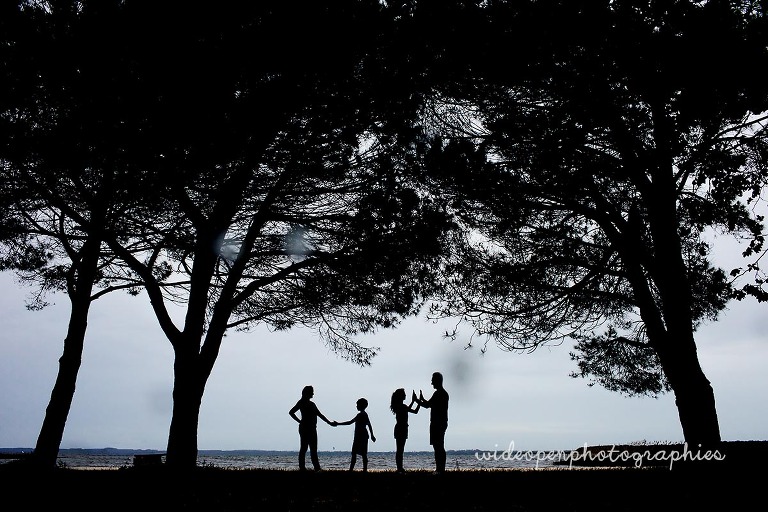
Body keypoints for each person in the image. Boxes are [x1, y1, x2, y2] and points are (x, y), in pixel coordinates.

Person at [289, 385, 334, 472]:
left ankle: (316, 467)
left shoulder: (312, 404)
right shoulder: (301, 402)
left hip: (312, 428)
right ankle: (302, 468)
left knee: (313, 449)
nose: (313, 394)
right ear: (307, 393)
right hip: (305, 428)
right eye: (311, 392)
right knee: (304, 448)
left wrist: (329, 422)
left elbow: (320, 415)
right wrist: (300, 421)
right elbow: (291, 412)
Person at [416, 371, 449, 474]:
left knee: (438, 446)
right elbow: (429, 404)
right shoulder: (441, 393)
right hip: (440, 422)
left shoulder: (439, 393)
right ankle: (440, 468)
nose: (431, 383)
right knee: (438, 445)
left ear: (437, 381)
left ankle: (440, 469)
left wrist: (417, 401)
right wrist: (420, 400)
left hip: (437, 423)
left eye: (433, 381)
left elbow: (427, 405)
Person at [335, 397, 376, 471]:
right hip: (361, 435)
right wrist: (372, 435)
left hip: (360, 436)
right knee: (362, 453)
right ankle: (363, 469)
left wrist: (338, 423)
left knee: (356, 453)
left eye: (357, 405)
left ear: (361, 405)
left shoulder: (361, 415)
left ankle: (353, 469)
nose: (356, 406)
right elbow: (369, 425)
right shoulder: (363, 414)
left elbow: (350, 422)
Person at [390, 388, 420, 473]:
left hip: (401, 428)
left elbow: (411, 410)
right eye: (404, 394)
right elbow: (414, 411)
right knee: (400, 450)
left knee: (399, 449)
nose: (405, 395)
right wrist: (417, 401)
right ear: (401, 396)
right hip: (401, 428)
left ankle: (400, 467)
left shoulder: (400, 406)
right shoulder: (401, 406)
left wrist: (414, 401)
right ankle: (400, 468)